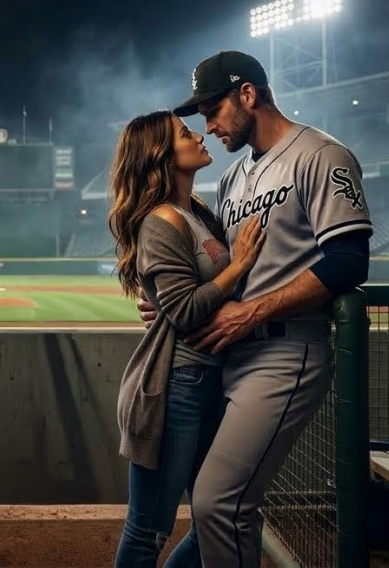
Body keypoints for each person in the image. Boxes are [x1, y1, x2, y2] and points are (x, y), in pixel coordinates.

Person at [137, 51, 373, 567]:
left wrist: (252, 312)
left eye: (212, 109)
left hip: (286, 351)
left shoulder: (320, 154)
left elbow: (350, 261)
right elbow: (217, 271)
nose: (207, 125)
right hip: (230, 358)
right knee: (220, 507)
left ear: (248, 94)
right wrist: (168, 302)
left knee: (218, 502)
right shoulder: (230, 180)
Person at [109, 109, 266, 567]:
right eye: (184, 134)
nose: (199, 135)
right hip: (173, 388)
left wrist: (169, 309)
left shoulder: (195, 211)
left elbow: (180, 302)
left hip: (208, 380)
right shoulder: (161, 220)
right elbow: (185, 309)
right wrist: (238, 265)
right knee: (148, 531)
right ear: (161, 155)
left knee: (212, 521)